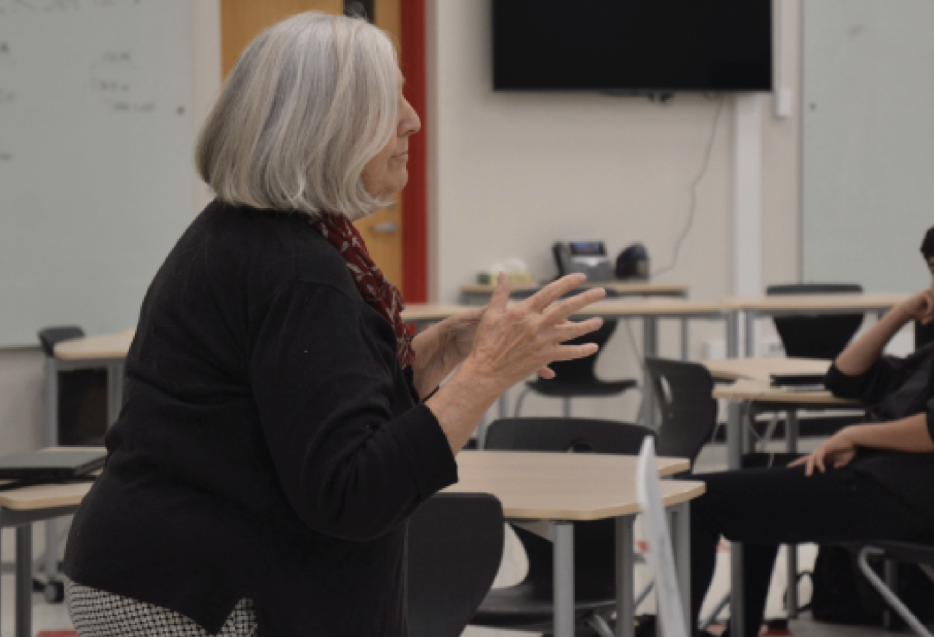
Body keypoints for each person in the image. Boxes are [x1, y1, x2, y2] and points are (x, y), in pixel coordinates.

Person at [61, 13, 605, 637]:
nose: (412, 119)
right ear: (323, 127)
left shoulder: (252, 236)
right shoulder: (296, 269)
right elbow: (353, 492)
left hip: (158, 571)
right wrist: (484, 375)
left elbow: (308, 409)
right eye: (386, 102)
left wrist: (434, 358)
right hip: (200, 595)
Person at [679, 218, 934, 637]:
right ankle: (741, 630)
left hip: (891, 494)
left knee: (695, 500)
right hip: (894, 485)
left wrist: (853, 435)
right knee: (754, 466)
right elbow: (843, 377)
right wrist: (900, 314)